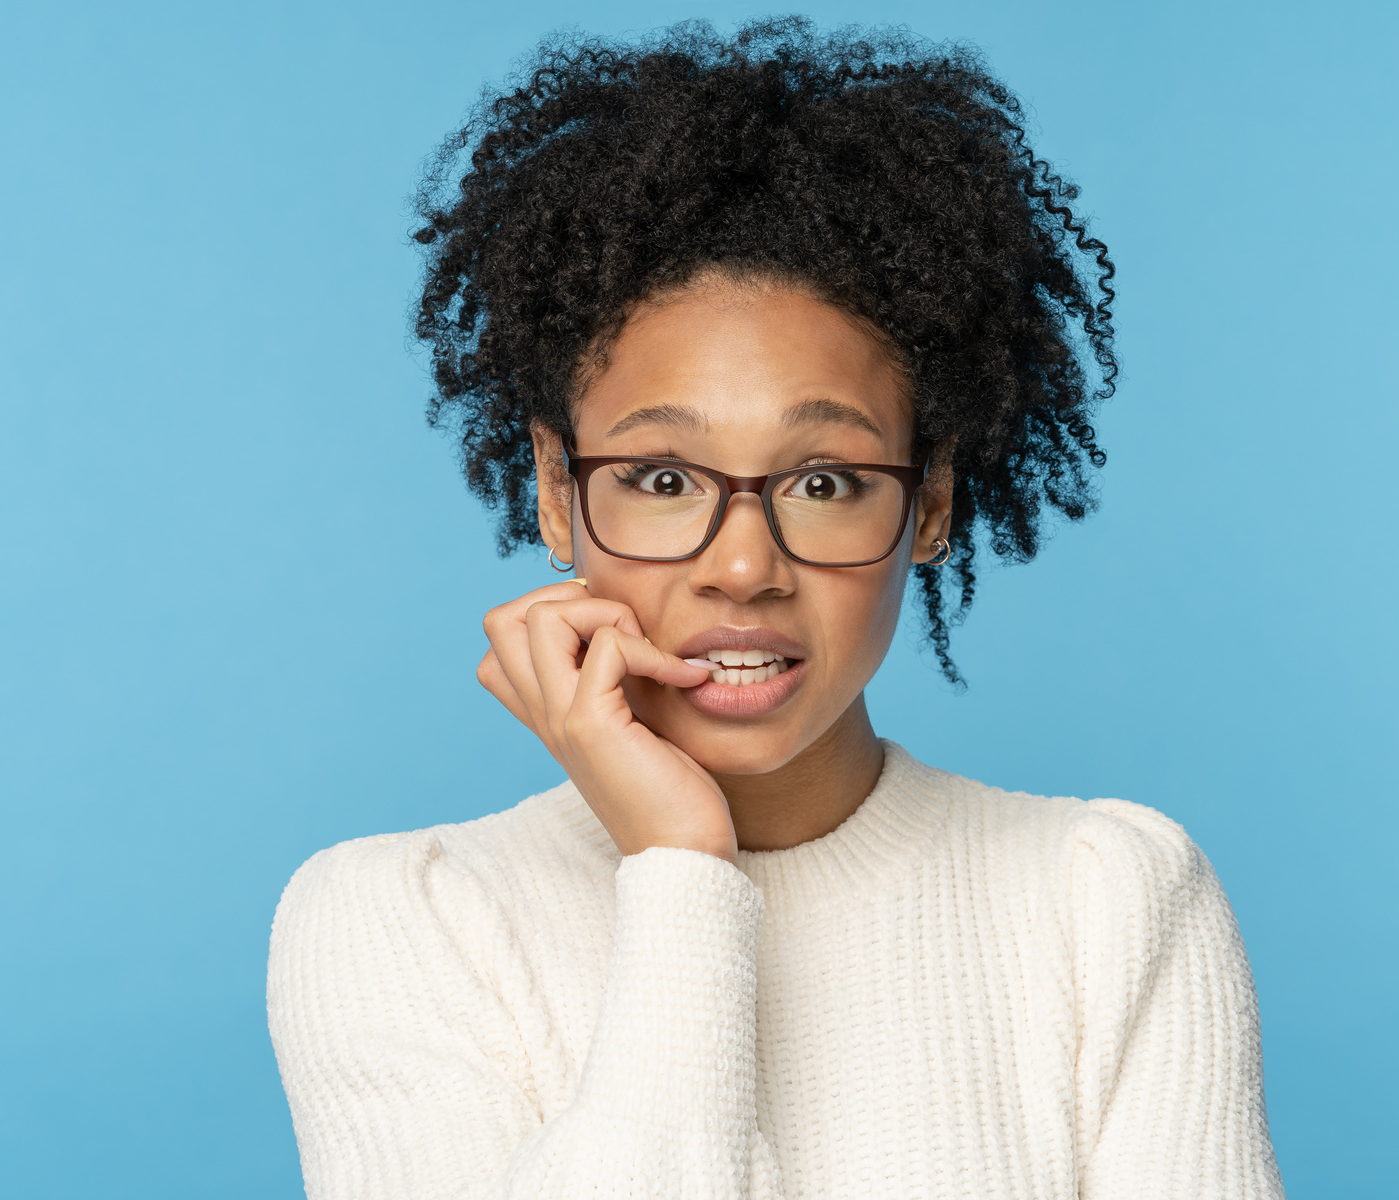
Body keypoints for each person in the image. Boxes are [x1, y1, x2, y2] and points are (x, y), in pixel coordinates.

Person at [266, 19, 1285, 1200]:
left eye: (824, 482)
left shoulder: (1109, 898)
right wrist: (683, 868)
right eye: (660, 480)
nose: (743, 567)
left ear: (932, 500)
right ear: (556, 490)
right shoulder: (401, 919)